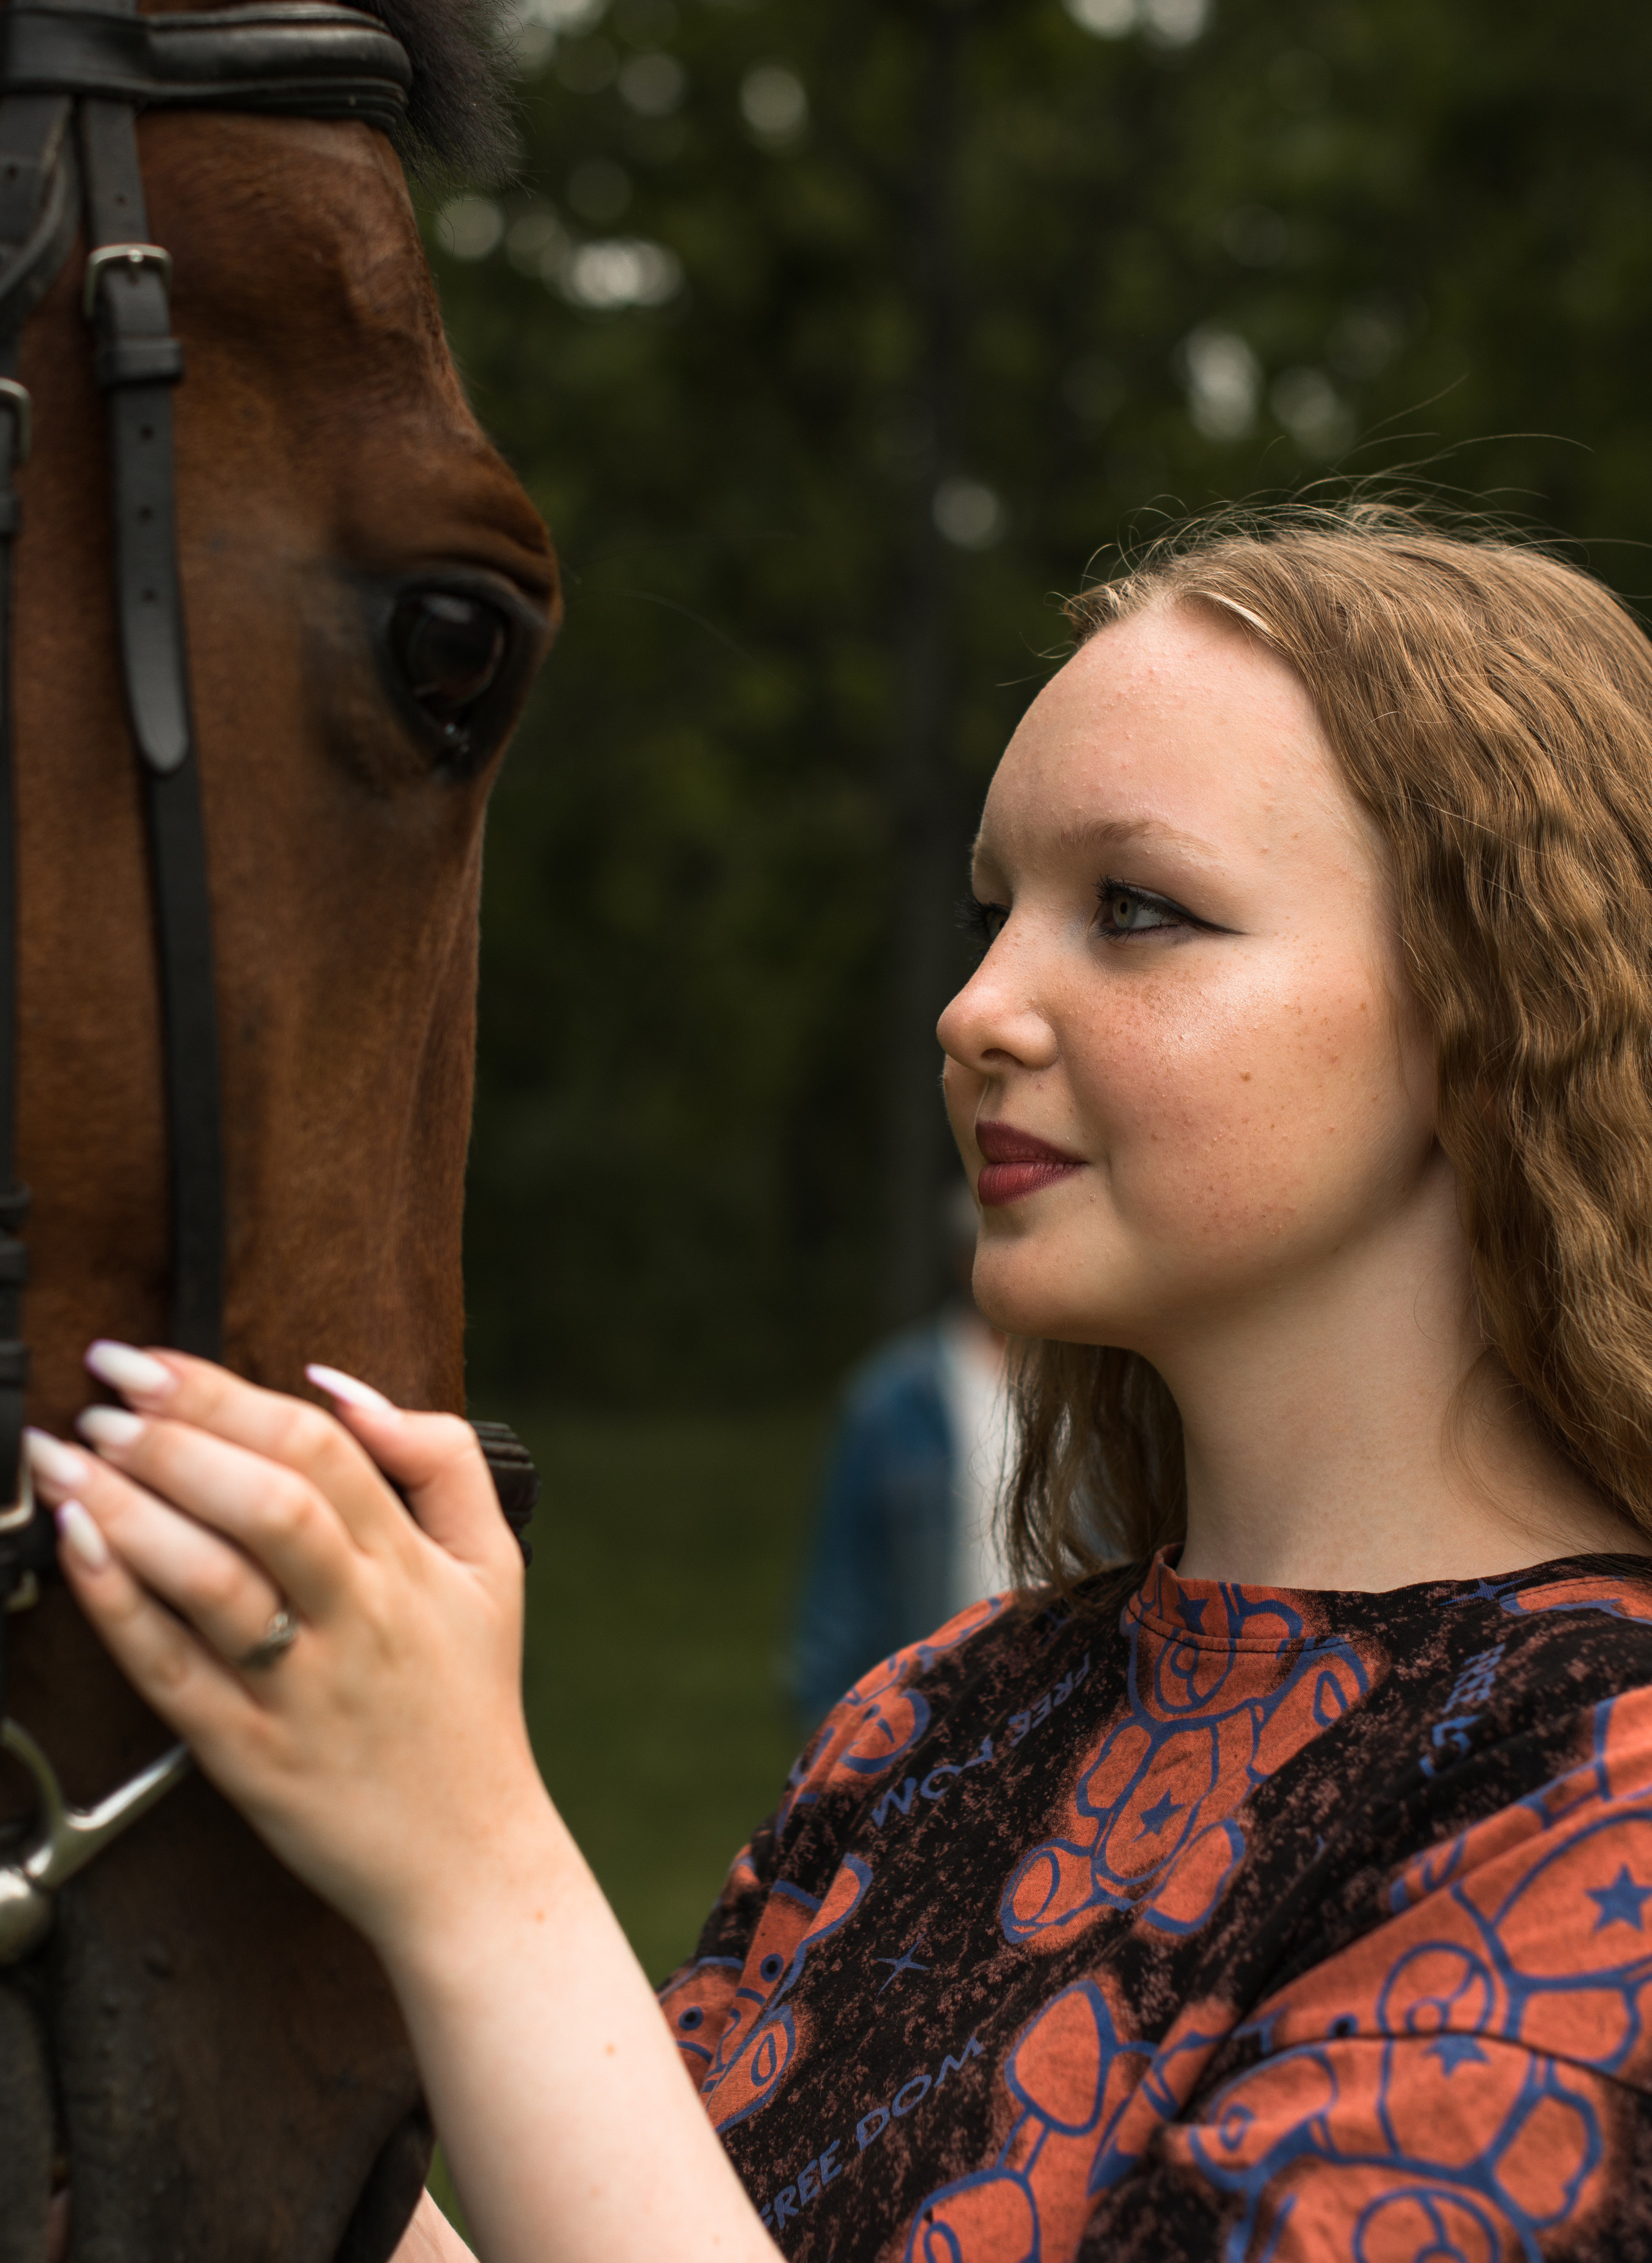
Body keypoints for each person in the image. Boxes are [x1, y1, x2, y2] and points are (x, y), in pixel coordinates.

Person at [31, 503, 1652, 2262]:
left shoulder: (1606, 1790)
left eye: (1135, 909)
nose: (978, 1007)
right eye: (992, 908)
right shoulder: (944, 1715)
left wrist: (469, 1856)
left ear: (1493, 1011)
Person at [791, 1182, 1015, 1727]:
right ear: (961, 1259)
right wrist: (830, 1716)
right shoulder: (892, 1399)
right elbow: (845, 1576)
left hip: (1073, 1699)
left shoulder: (1102, 1389)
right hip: (935, 1711)